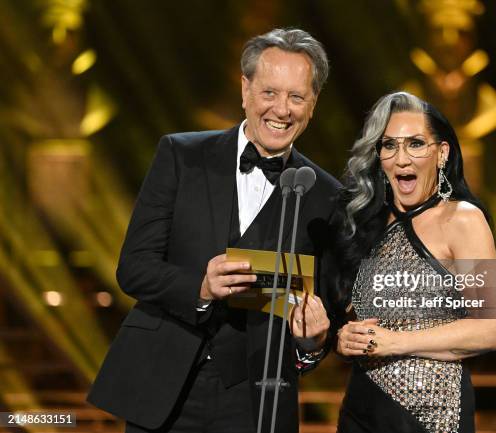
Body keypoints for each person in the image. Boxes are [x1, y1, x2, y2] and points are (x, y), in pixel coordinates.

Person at [87, 28, 341, 433]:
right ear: (245, 89)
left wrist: (311, 343)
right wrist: (200, 289)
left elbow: (320, 315)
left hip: (254, 399)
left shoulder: (328, 197)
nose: (282, 109)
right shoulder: (181, 156)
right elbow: (134, 267)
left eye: (297, 97)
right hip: (163, 386)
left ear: (313, 104)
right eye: (269, 93)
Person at [333, 91, 496, 433]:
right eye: (389, 145)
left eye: (415, 144)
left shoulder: (462, 219)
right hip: (360, 407)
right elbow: (358, 320)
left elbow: (492, 329)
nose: (401, 159)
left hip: (429, 415)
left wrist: (395, 342)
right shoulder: (368, 225)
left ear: (442, 153)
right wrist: (345, 338)